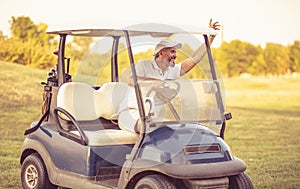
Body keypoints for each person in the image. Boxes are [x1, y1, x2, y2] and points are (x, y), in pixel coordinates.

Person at [118, 19, 220, 133]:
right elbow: (132, 80)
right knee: (148, 128)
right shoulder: (144, 65)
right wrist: (155, 82)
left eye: (175, 52)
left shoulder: (170, 71)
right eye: (172, 51)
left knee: (176, 130)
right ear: (161, 53)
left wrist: (209, 40)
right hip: (131, 112)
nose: (175, 55)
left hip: (151, 117)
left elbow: (194, 59)